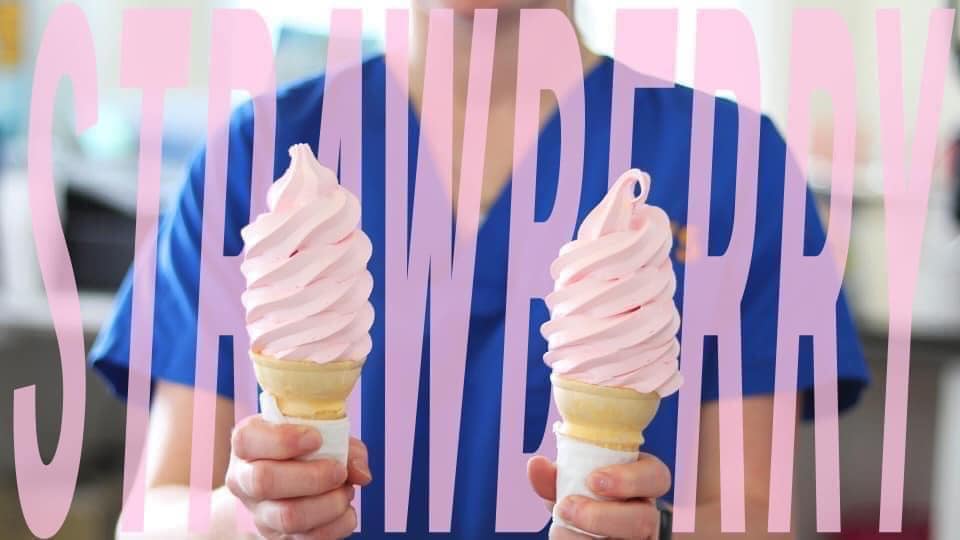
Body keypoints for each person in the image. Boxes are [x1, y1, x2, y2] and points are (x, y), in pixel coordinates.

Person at [89, 0, 870, 538]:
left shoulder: (731, 165)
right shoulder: (255, 158)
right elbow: (151, 517)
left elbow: (754, 515)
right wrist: (249, 516)